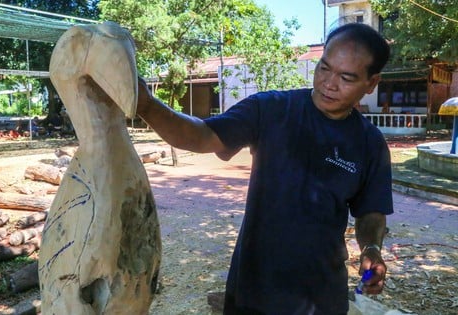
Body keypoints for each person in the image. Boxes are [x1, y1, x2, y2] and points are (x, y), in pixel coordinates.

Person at [137, 23, 393, 315]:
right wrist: (147, 105)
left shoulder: (370, 143)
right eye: (324, 68)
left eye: (346, 77)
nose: (328, 83)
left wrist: (371, 248)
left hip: (321, 297)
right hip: (254, 291)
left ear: (372, 83)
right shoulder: (270, 110)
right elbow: (201, 135)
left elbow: (371, 211)